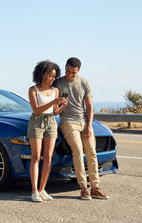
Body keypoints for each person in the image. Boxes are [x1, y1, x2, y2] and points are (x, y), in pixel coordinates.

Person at [57, 57, 109, 200]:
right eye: (67, 71)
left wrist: (89, 125)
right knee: (78, 151)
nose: (69, 74)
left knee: (91, 151)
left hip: (84, 122)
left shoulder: (84, 83)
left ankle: (95, 188)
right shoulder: (58, 83)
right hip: (68, 122)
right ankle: (83, 188)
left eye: (73, 73)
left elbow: (89, 106)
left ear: (78, 71)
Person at [27, 60, 68, 202]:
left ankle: (42, 189)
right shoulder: (33, 90)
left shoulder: (55, 90)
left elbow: (55, 112)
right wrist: (53, 102)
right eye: (50, 76)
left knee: (49, 157)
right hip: (36, 122)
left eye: (54, 76)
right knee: (36, 157)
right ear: (42, 74)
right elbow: (36, 110)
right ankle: (34, 191)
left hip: (51, 121)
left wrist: (62, 105)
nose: (52, 79)